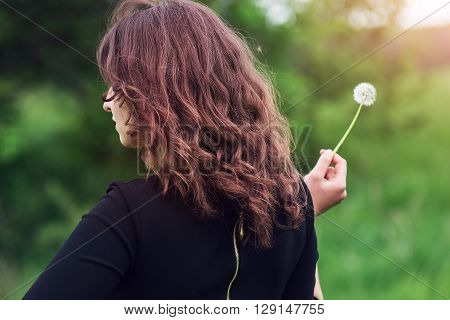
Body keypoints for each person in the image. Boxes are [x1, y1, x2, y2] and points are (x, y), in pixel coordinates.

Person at [22, 0, 347, 300]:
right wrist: (303, 211)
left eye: (116, 84)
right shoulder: (292, 207)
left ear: (153, 93)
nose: (107, 103)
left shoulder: (129, 214)